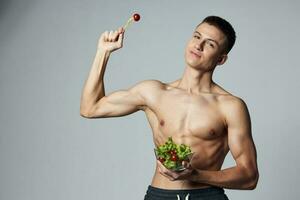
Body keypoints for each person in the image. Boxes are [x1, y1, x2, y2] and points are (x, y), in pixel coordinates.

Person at [80, 15, 259, 200]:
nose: (198, 45)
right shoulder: (154, 92)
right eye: (197, 37)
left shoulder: (230, 106)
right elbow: (90, 108)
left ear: (221, 59)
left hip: (206, 196)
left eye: (210, 44)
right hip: (159, 195)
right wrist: (103, 52)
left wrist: (196, 175)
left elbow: (249, 176)